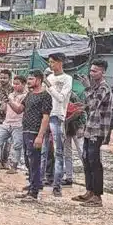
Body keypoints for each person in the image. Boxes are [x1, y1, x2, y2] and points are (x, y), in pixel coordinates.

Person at [72, 60, 112, 207]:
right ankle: (89, 191)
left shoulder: (104, 88)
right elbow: (91, 106)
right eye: (91, 70)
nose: (91, 73)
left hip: (98, 130)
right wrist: (82, 106)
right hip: (90, 128)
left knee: (95, 162)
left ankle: (97, 196)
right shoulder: (95, 87)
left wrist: (87, 88)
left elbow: (95, 104)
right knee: (86, 159)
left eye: (95, 71)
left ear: (103, 72)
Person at [10, 70, 52, 201]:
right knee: (29, 161)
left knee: (35, 161)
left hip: (35, 132)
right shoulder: (29, 95)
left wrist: (40, 136)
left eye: (31, 79)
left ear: (39, 80)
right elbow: (18, 110)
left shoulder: (45, 96)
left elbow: (46, 118)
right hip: (26, 130)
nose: (28, 81)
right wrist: (8, 100)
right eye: (28, 79)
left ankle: (34, 193)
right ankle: (32, 186)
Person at [40, 53, 72, 197]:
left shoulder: (67, 79)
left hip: (57, 116)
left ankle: (57, 185)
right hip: (45, 116)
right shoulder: (49, 78)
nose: (50, 65)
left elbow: (61, 98)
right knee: (42, 151)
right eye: (49, 62)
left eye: (53, 62)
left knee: (58, 152)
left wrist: (49, 85)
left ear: (60, 63)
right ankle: (38, 181)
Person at [0, 74, 27, 174]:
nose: (15, 86)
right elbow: (4, 109)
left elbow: (18, 110)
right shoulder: (11, 95)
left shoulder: (25, 96)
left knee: (17, 145)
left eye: (17, 84)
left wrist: (9, 101)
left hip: (18, 124)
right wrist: (2, 102)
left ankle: (14, 167)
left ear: (23, 84)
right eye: (14, 84)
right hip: (7, 123)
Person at [63, 93, 86, 187]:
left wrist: (82, 126)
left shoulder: (72, 95)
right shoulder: (55, 96)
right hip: (65, 128)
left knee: (82, 152)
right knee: (67, 154)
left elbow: (83, 111)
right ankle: (69, 178)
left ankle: (89, 177)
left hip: (76, 127)